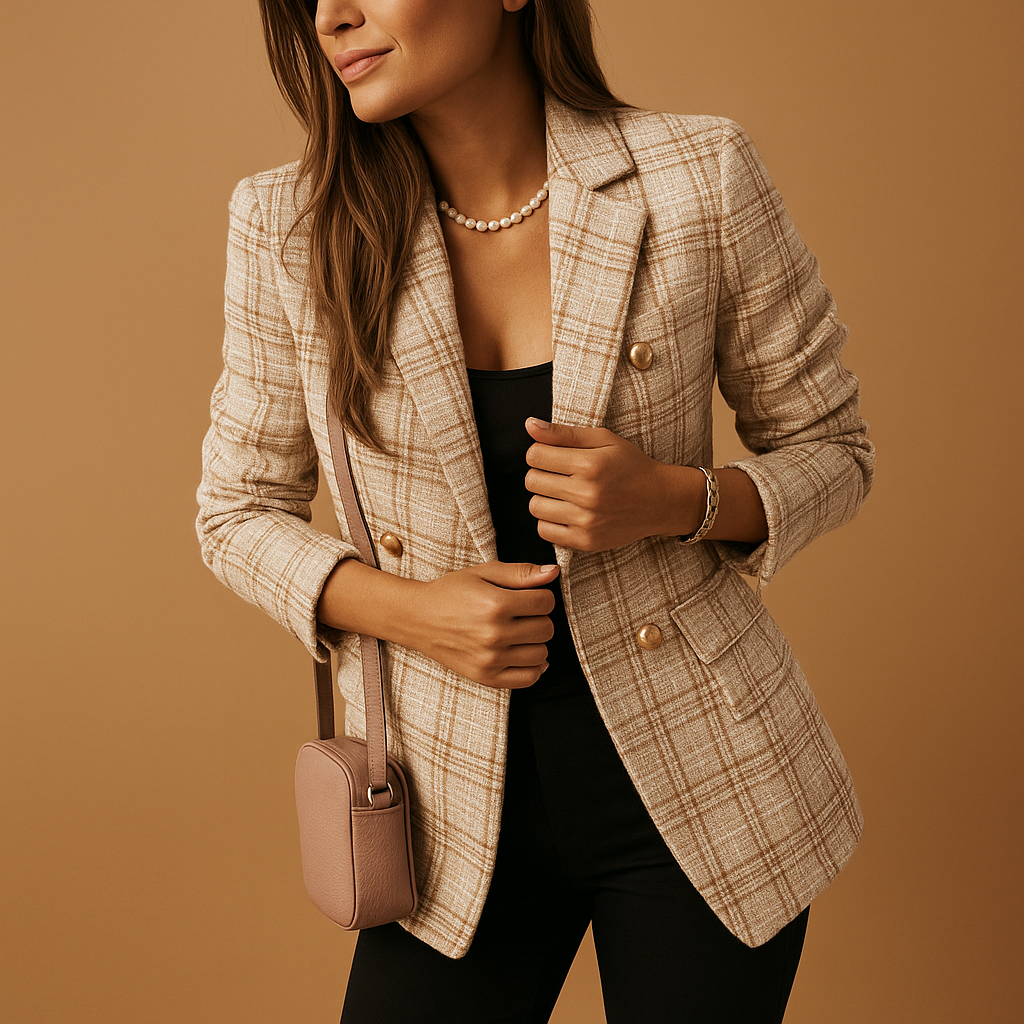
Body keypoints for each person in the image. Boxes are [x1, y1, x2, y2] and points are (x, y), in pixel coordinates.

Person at [196, 1, 875, 1021]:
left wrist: (673, 498)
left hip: (706, 785)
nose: (333, 16)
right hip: (442, 804)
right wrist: (413, 611)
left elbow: (833, 448)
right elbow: (235, 510)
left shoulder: (696, 174)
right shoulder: (288, 224)